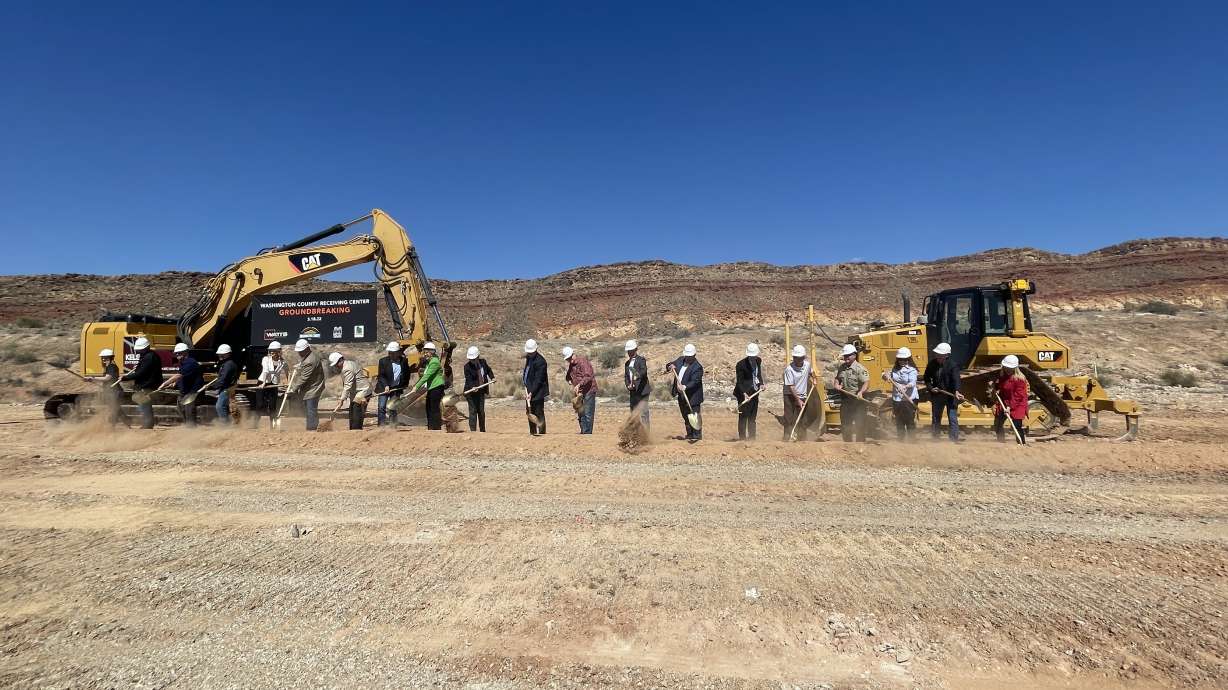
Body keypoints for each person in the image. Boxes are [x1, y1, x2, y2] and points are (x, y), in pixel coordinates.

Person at [923, 342, 965, 442]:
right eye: (937, 355)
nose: (938, 357)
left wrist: (957, 391)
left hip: (951, 396)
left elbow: (956, 380)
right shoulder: (932, 364)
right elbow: (926, 378)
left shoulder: (952, 366)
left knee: (952, 418)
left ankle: (953, 439)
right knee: (936, 418)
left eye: (940, 355)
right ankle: (935, 438)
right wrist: (931, 388)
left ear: (946, 355)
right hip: (937, 395)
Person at [120, 337, 163, 429]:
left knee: (145, 405)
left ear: (146, 348)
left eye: (140, 350)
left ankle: (147, 425)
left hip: (147, 384)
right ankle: (147, 423)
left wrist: (125, 377)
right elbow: (143, 369)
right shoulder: (150, 355)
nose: (138, 352)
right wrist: (139, 365)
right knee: (144, 404)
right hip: (147, 383)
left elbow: (141, 373)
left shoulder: (149, 357)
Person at [285, 339, 325, 430]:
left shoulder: (310, 361)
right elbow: (305, 364)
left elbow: (303, 378)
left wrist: (293, 389)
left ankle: (311, 429)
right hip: (312, 387)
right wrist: (300, 365)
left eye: (301, 351)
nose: (299, 353)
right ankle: (314, 426)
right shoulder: (310, 356)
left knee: (310, 409)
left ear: (307, 349)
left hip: (313, 388)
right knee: (310, 409)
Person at [833, 343, 870, 442]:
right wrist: (836, 384)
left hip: (858, 400)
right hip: (846, 399)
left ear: (854, 355)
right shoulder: (842, 367)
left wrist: (861, 392)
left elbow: (866, 382)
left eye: (848, 356)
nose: (846, 358)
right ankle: (847, 446)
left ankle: (860, 446)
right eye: (845, 356)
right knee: (845, 424)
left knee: (860, 424)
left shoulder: (860, 369)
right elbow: (837, 378)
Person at [667, 343, 704, 442]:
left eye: (690, 356)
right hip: (681, 395)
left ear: (694, 355)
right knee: (685, 415)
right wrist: (670, 366)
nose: (688, 358)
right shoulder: (680, 360)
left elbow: (695, 381)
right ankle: (689, 434)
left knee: (694, 415)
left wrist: (685, 387)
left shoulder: (698, 367)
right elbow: (669, 364)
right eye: (687, 356)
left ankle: (697, 436)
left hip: (693, 396)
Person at [883, 346, 919, 441]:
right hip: (897, 399)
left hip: (909, 398)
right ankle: (901, 440)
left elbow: (912, 383)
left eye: (905, 359)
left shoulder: (912, 370)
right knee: (899, 420)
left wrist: (905, 386)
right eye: (901, 360)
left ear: (908, 359)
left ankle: (912, 440)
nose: (902, 361)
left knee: (909, 420)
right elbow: (887, 375)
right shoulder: (895, 369)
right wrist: (885, 376)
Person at [163, 343, 203, 426]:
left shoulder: (190, 363)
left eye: (179, 353)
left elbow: (178, 375)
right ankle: (188, 426)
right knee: (181, 409)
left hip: (191, 392)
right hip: (184, 391)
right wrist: (175, 383)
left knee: (189, 410)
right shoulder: (183, 363)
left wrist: (165, 384)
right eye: (176, 353)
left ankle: (191, 429)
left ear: (186, 352)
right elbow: (184, 376)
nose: (177, 354)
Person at [329, 352, 371, 430]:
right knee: (352, 411)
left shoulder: (347, 368)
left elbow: (347, 385)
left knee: (356, 410)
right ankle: (352, 431)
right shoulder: (349, 363)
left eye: (336, 364)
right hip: (356, 392)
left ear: (340, 360)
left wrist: (341, 400)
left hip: (363, 391)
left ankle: (356, 431)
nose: (335, 366)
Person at [992, 355, 1029, 444]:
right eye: (1006, 367)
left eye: (1010, 368)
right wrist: (995, 387)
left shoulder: (1020, 379)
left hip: (1017, 404)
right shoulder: (1003, 376)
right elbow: (1000, 386)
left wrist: (1009, 407)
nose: (1007, 370)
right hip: (1004, 402)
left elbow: (1018, 396)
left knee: (1016, 425)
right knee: (998, 423)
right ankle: (1001, 442)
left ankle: (1021, 443)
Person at [563, 346, 597, 434]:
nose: (570, 361)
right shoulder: (571, 365)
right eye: (568, 359)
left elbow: (588, 376)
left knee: (588, 413)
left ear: (574, 354)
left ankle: (587, 433)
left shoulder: (583, 362)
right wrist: (569, 380)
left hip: (589, 391)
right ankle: (583, 432)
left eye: (570, 358)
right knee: (580, 412)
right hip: (579, 393)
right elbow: (568, 376)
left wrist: (579, 384)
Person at [376, 341, 411, 426]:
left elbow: (407, 374)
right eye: (389, 353)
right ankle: (381, 425)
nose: (390, 354)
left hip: (396, 388)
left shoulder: (404, 361)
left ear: (398, 353)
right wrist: (386, 386)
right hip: (384, 387)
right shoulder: (383, 361)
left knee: (393, 407)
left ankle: (393, 425)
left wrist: (404, 384)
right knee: (382, 407)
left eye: (392, 353)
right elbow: (381, 376)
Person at [735, 343, 765, 440]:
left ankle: (752, 438)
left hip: (754, 392)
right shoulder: (740, 365)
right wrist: (744, 394)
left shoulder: (758, 361)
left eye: (754, 356)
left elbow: (758, 374)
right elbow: (739, 382)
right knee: (743, 416)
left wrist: (761, 383)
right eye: (751, 356)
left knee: (752, 417)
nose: (753, 358)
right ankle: (742, 438)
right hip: (742, 392)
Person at [782, 344, 812, 441]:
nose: (798, 360)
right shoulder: (789, 370)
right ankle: (787, 438)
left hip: (802, 395)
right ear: (793, 357)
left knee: (803, 419)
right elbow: (791, 386)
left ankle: (802, 439)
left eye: (800, 358)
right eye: (796, 358)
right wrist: (798, 400)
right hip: (790, 395)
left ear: (803, 357)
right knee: (789, 418)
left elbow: (811, 372)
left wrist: (814, 378)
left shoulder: (807, 365)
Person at [204, 344, 240, 425]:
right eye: (220, 354)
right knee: (227, 407)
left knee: (220, 406)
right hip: (227, 387)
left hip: (228, 388)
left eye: (222, 354)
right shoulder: (226, 364)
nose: (220, 355)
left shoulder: (228, 365)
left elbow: (223, 379)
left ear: (228, 354)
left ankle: (225, 425)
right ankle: (231, 423)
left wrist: (211, 387)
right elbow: (221, 378)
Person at [414, 342, 446, 430]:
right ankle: (431, 427)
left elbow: (427, 376)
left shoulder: (434, 362)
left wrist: (416, 386)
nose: (425, 354)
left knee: (434, 408)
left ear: (432, 352)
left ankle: (435, 428)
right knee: (429, 407)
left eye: (427, 352)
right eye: (424, 352)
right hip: (432, 387)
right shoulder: (430, 361)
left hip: (436, 387)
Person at [463, 346, 495, 432]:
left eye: (473, 359)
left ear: (478, 357)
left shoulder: (483, 362)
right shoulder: (467, 367)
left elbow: (488, 370)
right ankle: (473, 431)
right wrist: (472, 387)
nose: (472, 361)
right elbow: (468, 379)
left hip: (481, 391)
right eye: (470, 359)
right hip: (470, 392)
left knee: (481, 411)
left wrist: (492, 378)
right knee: (473, 411)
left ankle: (482, 430)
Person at [254, 340, 286, 427]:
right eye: (271, 350)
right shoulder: (265, 359)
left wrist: (287, 381)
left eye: (274, 350)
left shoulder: (282, 362)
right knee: (260, 405)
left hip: (274, 384)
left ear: (279, 351)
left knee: (272, 406)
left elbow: (287, 370)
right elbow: (265, 371)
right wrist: (264, 383)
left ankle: (273, 426)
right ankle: (255, 424)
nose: (272, 352)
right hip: (262, 382)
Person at [522, 339, 549, 435]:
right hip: (529, 390)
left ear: (536, 350)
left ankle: (542, 433)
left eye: (531, 353)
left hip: (537, 392)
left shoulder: (541, 362)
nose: (529, 354)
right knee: (530, 412)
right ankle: (533, 432)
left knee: (538, 413)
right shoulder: (529, 358)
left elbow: (539, 380)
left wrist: (531, 392)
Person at [623, 340, 650, 428]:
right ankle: (636, 435)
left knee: (643, 413)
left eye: (631, 351)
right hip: (633, 392)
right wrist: (628, 385)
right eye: (628, 351)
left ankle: (646, 435)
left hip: (642, 391)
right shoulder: (627, 364)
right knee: (633, 413)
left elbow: (643, 371)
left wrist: (637, 377)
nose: (629, 353)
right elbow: (626, 377)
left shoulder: (641, 360)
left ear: (636, 349)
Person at [96, 348, 122, 426]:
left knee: (114, 409)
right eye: (102, 357)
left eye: (106, 357)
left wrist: (92, 378)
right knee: (115, 409)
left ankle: (112, 426)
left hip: (114, 391)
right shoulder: (108, 367)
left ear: (111, 358)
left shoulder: (111, 367)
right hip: (110, 391)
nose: (103, 359)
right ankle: (127, 423)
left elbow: (107, 378)